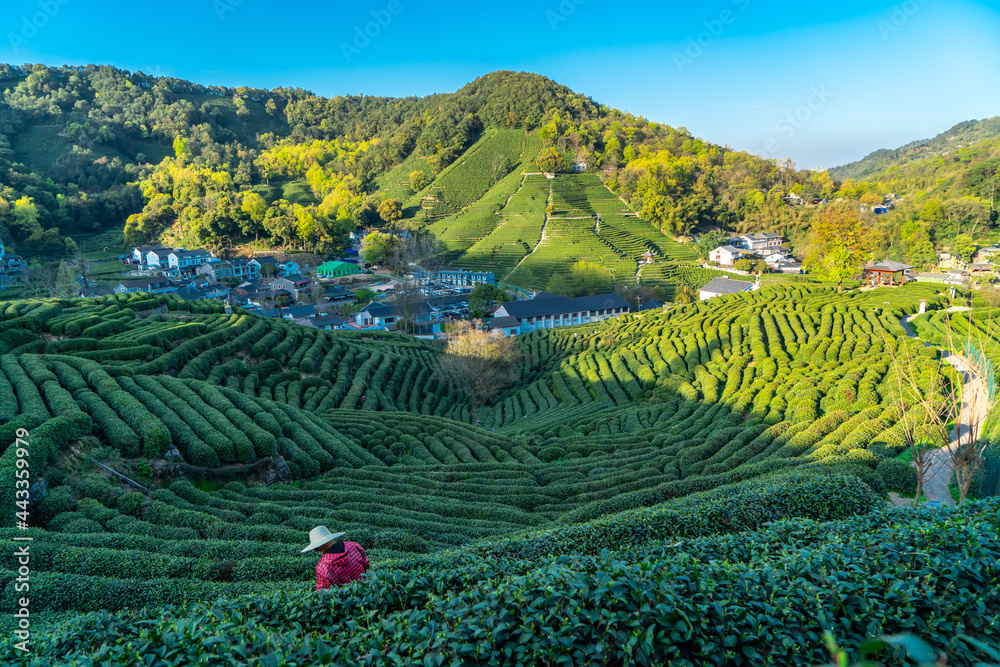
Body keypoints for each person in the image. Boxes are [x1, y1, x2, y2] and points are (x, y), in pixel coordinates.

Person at [301, 526, 369, 590]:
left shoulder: (322, 567)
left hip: (347, 599)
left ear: (316, 548)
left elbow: (323, 592)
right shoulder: (354, 546)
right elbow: (367, 565)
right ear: (331, 538)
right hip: (367, 589)